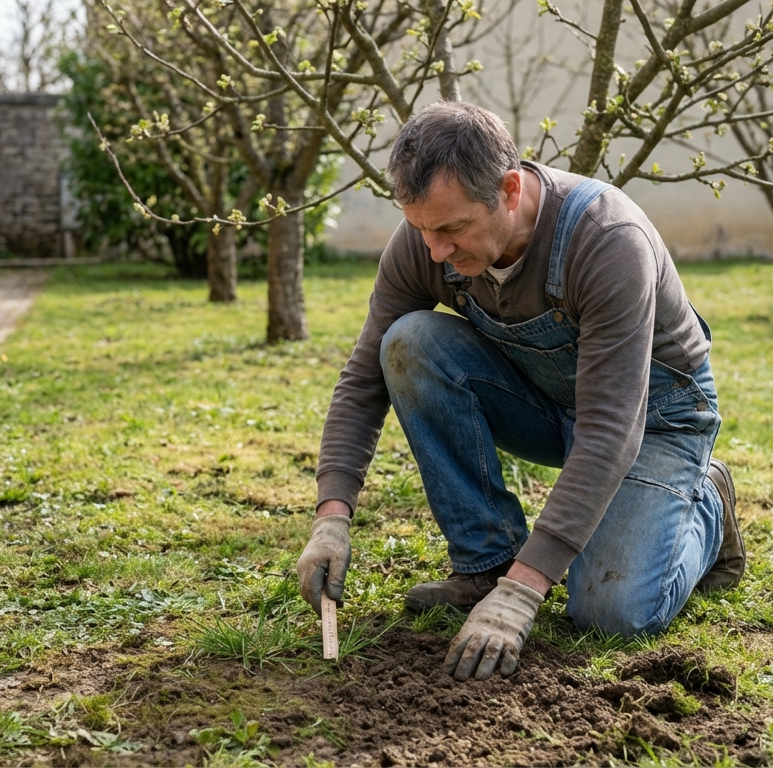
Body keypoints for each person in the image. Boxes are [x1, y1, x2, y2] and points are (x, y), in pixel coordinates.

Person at [295, 101, 744, 683]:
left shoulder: (608, 240)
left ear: (509, 190)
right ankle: (487, 564)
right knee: (408, 343)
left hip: (654, 418)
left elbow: (611, 430)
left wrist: (525, 590)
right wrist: (331, 515)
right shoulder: (425, 244)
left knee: (612, 614)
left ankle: (706, 501)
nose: (434, 250)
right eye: (421, 227)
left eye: (452, 228)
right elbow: (363, 379)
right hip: (546, 399)